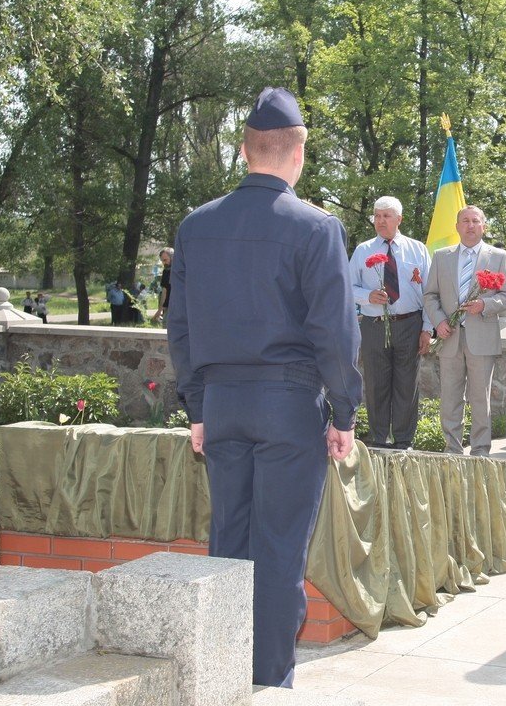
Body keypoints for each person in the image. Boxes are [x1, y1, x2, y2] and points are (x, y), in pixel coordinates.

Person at [166, 87, 362, 688]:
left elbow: (182, 327)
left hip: (222, 406)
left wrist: (198, 407)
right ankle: (268, 684)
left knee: (229, 543)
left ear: (245, 150)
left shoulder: (196, 228)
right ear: (296, 154)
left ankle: (224, 677)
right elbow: (334, 333)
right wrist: (345, 413)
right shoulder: (315, 228)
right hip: (286, 406)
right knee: (278, 553)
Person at [423, 206, 506, 456]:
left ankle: (480, 451)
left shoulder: (498, 256)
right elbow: (430, 295)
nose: (470, 225)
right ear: (457, 226)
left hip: (482, 337)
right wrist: (439, 321)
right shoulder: (442, 256)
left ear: (484, 226)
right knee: (450, 398)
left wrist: (484, 304)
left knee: (479, 398)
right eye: (465, 220)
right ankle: (452, 449)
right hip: (449, 336)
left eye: (476, 221)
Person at [349, 196, 432, 449]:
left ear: (399, 219)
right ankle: (378, 438)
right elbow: (346, 286)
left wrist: (427, 329)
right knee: (376, 383)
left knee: (407, 384)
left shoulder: (417, 249)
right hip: (374, 324)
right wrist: (367, 296)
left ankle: (404, 440)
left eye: (386, 216)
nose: (381, 220)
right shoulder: (363, 250)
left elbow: (429, 291)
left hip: (409, 323)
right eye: (377, 215)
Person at [152, 247, 174, 325]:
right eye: (162, 261)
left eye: (165, 260)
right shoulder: (166, 271)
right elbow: (164, 291)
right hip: (168, 307)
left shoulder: (181, 271)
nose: (164, 263)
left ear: (172, 257)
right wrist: (160, 310)